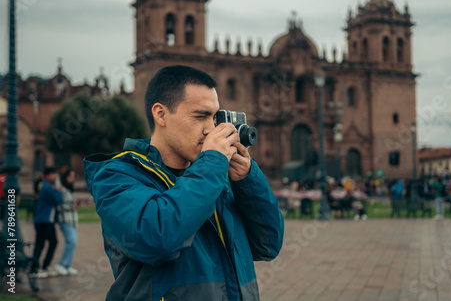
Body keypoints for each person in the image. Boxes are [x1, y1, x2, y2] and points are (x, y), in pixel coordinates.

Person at [84, 65, 284, 300]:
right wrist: (212, 164)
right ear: (161, 114)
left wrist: (247, 179)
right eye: (200, 116)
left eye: (214, 116)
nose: (211, 128)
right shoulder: (117, 176)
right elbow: (157, 239)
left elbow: (268, 244)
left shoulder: (217, 177)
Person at [30, 167, 63, 278]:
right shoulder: (46, 187)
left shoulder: (49, 186)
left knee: (53, 242)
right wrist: (59, 189)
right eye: (53, 174)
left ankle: (45, 266)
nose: (55, 177)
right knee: (40, 244)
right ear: (47, 176)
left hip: (48, 221)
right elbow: (57, 199)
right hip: (42, 220)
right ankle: (33, 269)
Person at [54, 167, 79, 275]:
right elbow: (59, 206)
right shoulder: (61, 189)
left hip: (72, 220)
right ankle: (61, 264)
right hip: (65, 220)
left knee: (73, 243)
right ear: (65, 177)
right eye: (70, 176)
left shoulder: (69, 189)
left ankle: (67, 265)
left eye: (73, 176)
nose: (72, 179)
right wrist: (71, 206)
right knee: (71, 241)